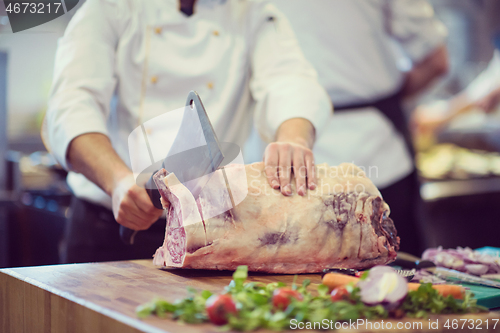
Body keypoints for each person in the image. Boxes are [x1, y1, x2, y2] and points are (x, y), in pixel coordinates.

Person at [45, 0, 331, 263]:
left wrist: (294, 137)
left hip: (211, 233)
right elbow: (71, 103)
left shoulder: (250, 9)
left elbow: (290, 81)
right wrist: (117, 181)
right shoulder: (111, 6)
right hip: (111, 230)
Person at [246, 0, 449, 255]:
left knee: (288, 285)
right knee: (398, 281)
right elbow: (436, 61)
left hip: (282, 172)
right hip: (375, 151)